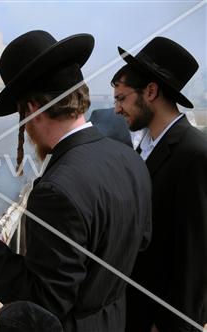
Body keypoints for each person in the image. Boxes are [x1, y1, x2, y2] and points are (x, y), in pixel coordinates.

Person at [0, 30, 152, 332]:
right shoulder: (130, 159)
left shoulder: (56, 191)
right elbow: (141, 241)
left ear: (32, 109)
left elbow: (44, 301)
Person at [111, 36, 207, 332]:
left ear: (151, 91)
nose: (116, 110)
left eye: (122, 98)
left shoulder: (194, 154)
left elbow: (197, 259)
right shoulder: (147, 148)